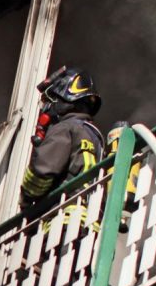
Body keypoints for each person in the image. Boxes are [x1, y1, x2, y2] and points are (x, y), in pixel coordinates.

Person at [20, 65, 105, 210]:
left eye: (50, 100)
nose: (46, 107)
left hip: (61, 220)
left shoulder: (64, 128)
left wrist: (26, 197)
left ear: (64, 98)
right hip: (87, 220)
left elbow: (43, 171)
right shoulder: (95, 136)